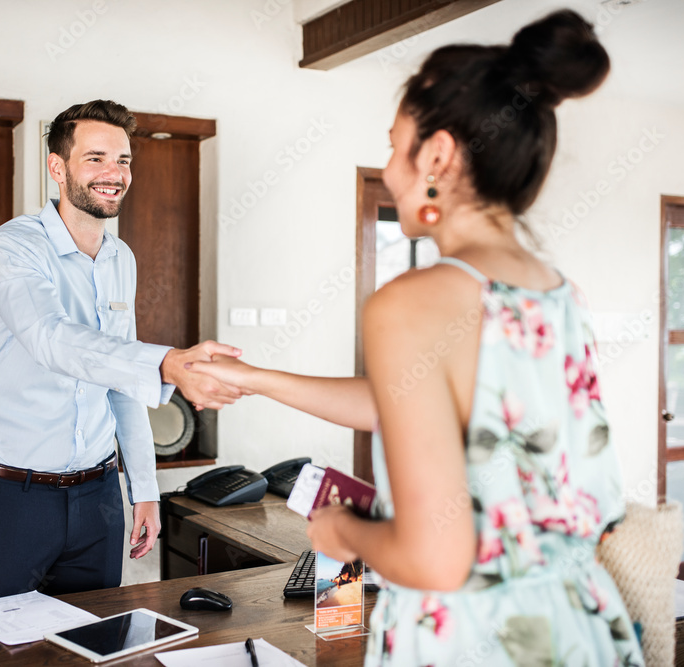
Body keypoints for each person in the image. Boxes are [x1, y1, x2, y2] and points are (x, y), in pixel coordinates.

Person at [190, 10, 644, 665]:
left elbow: (434, 558)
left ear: (435, 155)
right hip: (580, 625)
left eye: (393, 144)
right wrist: (252, 378)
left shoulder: (413, 299)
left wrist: (340, 529)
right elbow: (404, 401)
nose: (391, 169)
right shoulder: (556, 292)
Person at [0, 100, 242, 604]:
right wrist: (165, 362)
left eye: (124, 160)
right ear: (57, 168)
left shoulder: (119, 257)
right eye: (96, 158)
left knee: (94, 644)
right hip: (7, 496)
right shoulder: (13, 246)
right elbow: (51, 338)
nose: (114, 173)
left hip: (97, 498)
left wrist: (145, 489)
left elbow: (119, 382)